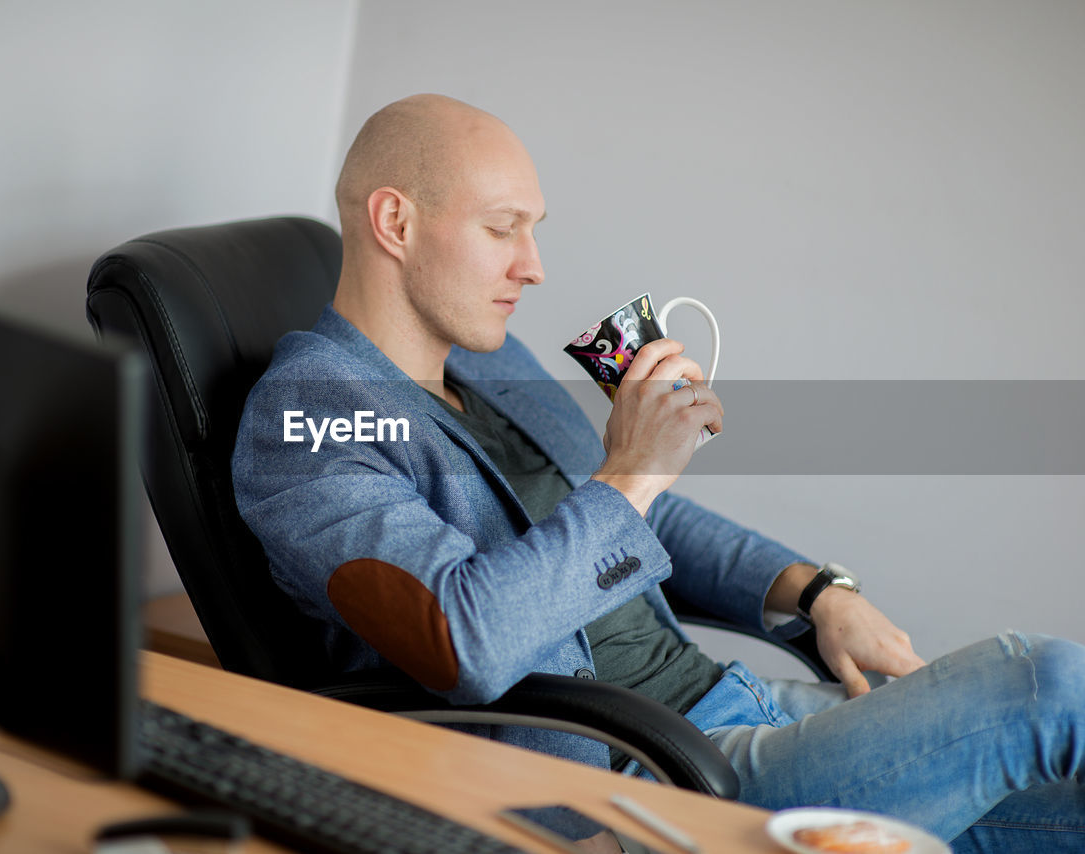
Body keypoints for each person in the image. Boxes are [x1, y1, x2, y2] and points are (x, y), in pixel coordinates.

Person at [232, 94, 1085, 851]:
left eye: (534, 231)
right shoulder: (308, 418)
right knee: (1041, 682)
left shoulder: (487, 362)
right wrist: (634, 470)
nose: (533, 266)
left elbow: (633, 526)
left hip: (737, 711)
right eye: (503, 228)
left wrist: (820, 593)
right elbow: (461, 641)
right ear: (395, 223)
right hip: (638, 783)